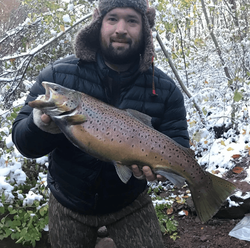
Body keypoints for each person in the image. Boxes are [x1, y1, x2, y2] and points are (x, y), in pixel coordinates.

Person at [12, 0, 190, 247]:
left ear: (146, 29)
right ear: (98, 23)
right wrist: (40, 127)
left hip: (130, 203)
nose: (121, 29)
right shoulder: (57, 75)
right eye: (112, 18)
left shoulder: (165, 90)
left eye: (132, 20)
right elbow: (23, 143)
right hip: (68, 200)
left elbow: (179, 145)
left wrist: (160, 171)